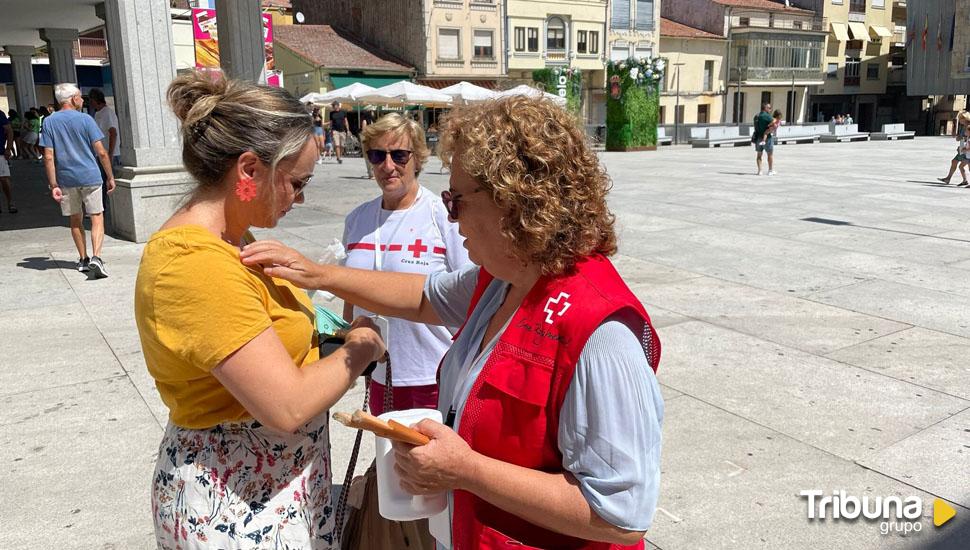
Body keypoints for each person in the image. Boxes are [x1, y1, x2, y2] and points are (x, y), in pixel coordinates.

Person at [240, 95, 664, 549]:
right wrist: (319, 273)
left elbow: (621, 516)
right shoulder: (504, 280)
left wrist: (466, 470)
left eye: (457, 200)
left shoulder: (600, 333)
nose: (449, 216)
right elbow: (422, 297)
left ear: (513, 201)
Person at [135, 71, 386, 549]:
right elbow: (285, 406)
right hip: (235, 503)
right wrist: (361, 347)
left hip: (265, 490)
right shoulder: (196, 266)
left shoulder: (233, 240)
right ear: (249, 170)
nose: (302, 197)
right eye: (297, 181)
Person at [345, 112, 469, 416]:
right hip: (379, 376)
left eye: (399, 155)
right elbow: (350, 292)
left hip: (434, 375)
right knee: (389, 463)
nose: (388, 166)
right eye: (377, 156)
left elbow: (471, 291)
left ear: (417, 158)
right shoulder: (357, 219)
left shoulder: (442, 214)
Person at [40, 83, 115, 277]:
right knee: (97, 216)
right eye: (80, 97)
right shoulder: (86, 119)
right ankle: (96, 258)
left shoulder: (49, 122)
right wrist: (110, 176)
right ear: (73, 99)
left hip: (66, 179)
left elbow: (48, 156)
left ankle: (83, 259)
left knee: (75, 219)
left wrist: (53, 183)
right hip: (90, 175)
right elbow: (101, 152)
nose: (82, 100)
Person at [89, 88, 121, 217]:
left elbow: (113, 132)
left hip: (108, 153)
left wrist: (111, 153)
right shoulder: (97, 113)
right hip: (101, 153)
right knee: (101, 181)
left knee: (108, 180)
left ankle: (106, 207)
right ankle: (103, 206)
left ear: (94, 100)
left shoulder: (107, 113)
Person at [938, 110, 970, 185]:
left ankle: (963, 180)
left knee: (965, 166)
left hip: (967, 150)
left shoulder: (968, 126)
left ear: (965, 118)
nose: (960, 120)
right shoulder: (963, 127)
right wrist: (958, 138)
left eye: (961, 118)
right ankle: (949, 179)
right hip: (963, 148)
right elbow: (961, 137)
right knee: (954, 162)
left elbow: (967, 138)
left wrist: (965, 146)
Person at [0, 110, 16, 213]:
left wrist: (8, 148)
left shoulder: (0, 115)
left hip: (0, 152)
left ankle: (10, 202)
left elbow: (9, 131)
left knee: (4, 179)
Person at [753, 102, 774, 176]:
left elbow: (755, 126)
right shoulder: (767, 116)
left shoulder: (757, 116)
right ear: (765, 108)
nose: (770, 109)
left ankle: (760, 171)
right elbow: (774, 123)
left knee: (759, 155)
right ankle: (770, 170)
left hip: (758, 138)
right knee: (770, 155)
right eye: (769, 108)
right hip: (767, 138)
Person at [359, 107, 375, 179]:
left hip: (371, 139)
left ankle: (372, 173)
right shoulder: (365, 121)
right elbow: (364, 131)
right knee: (368, 156)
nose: (373, 113)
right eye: (372, 111)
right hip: (366, 140)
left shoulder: (371, 120)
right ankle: (371, 174)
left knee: (372, 156)